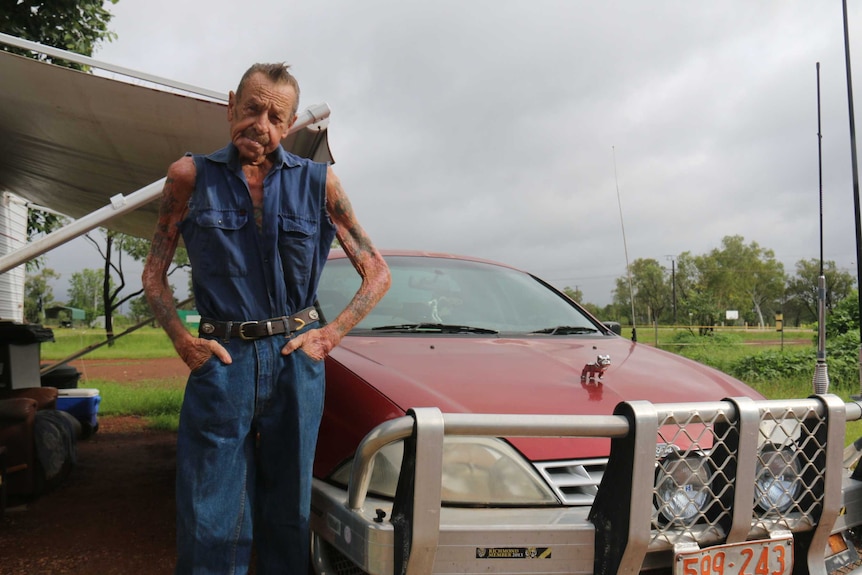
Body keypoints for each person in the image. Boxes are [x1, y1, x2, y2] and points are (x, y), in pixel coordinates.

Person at [141, 62, 391, 574]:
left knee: (289, 512)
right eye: (251, 109)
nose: (262, 125)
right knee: (209, 513)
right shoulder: (188, 177)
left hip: (295, 360)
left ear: (292, 122)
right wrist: (184, 343)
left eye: (276, 116)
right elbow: (153, 274)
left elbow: (377, 272)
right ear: (230, 104)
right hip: (222, 361)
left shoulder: (320, 184)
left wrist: (329, 337)